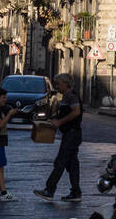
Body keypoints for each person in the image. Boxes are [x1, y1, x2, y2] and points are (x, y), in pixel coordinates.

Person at [34, 73, 82, 203]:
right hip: (70, 134)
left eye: (58, 84)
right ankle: (76, 192)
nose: (56, 86)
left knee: (60, 162)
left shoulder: (71, 96)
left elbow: (76, 112)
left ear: (66, 84)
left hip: (72, 134)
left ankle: (49, 190)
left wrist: (60, 122)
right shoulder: (66, 96)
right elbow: (65, 114)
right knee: (72, 164)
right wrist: (53, 121)